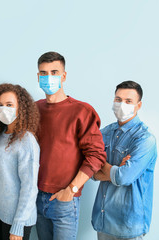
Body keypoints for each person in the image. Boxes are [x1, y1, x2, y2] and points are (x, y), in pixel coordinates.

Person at [35, 51, 107, 240]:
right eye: (43, 73)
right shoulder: (35, 109)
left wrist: (71, 190)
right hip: (36, 198)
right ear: (37, 76)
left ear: (64, 76)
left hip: (64, 200)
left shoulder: (81, 111)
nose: (48, 77)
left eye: (54, 72)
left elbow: (96, 155)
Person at [92, 81, 157, 240]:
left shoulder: (145, 139)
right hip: (103, 219)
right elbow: (91, 170)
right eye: (118, 99)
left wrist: (108, 169)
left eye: (128, 101)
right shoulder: (105, 133)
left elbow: (123, 177)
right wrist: (115, 169)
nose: (122, 105)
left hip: (128, 224)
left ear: (138, 105)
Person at [0, 84, 40, 240]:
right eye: (0, 105)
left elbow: (29, 187)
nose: (4, 109)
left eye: (9, 105)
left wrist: (18, 225)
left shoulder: (26, 139)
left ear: (21, 108)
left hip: (16, 220)